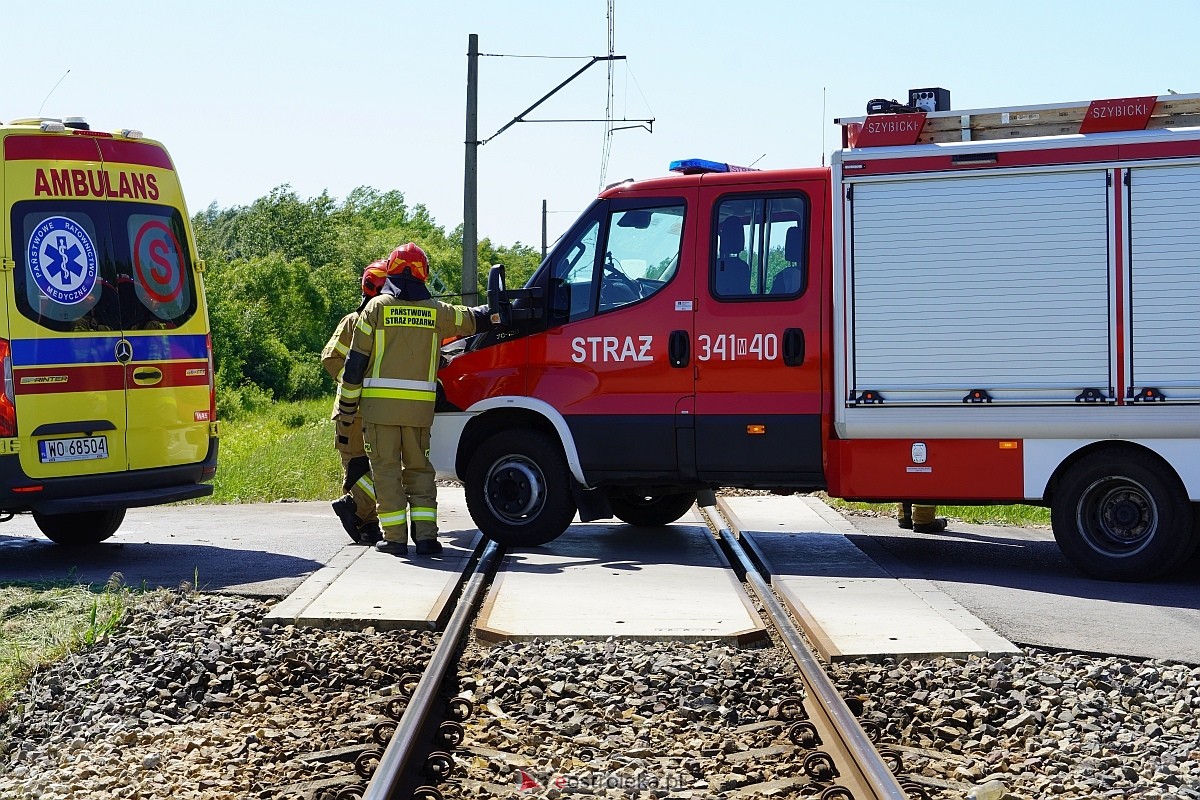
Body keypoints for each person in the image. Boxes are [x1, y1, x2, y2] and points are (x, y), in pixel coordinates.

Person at [336, 242, 489, 556]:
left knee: (387, 471)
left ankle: (394, 539)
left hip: (380, 412)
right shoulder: (436, 310)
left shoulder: (375, 308)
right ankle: (427, 539)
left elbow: (354, 365)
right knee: (419, 471)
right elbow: (473, 319)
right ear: (424, 274)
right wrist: (503, 309)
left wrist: (348, 408)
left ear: (391, 271)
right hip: (419, 412)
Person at [322, 260, 389, 544]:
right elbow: (330, 358)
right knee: (359, 469)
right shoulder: (352, 322)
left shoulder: (391, 323)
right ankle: (364, 520)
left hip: (377, 411)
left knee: (376, 468)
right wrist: (352, 384)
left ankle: (358, 513)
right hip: (352, 413)